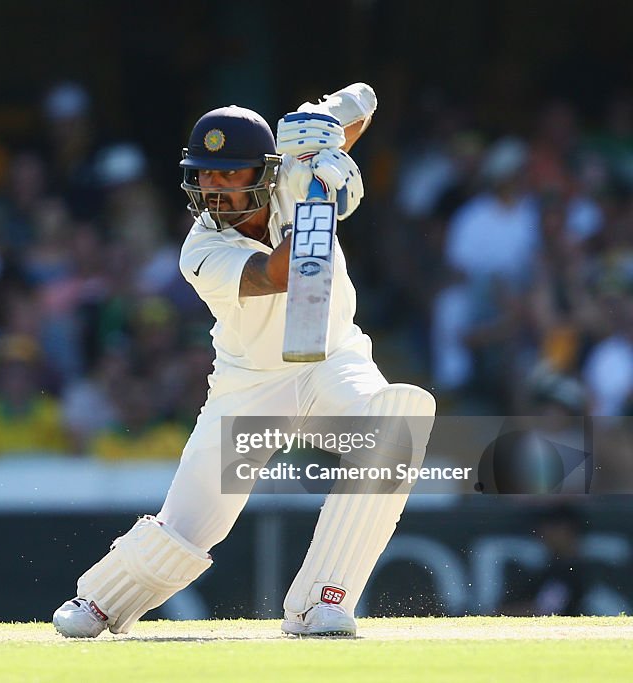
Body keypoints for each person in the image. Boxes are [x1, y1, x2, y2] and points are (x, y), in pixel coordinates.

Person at [52, 85, 436, 638]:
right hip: (252, 387)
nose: (212, 188)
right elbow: (279, 273)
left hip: (332, 360)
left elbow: (364, 99)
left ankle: (322, 602)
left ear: (262, 171)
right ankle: (101, 599)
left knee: (396, 422)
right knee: (190, 527)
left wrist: (328, 142)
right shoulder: (200, 250)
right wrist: (319, 195)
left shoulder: (293, 176)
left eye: (227, 174)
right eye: (204, 175)